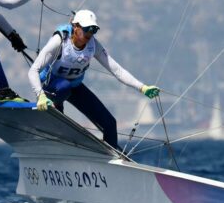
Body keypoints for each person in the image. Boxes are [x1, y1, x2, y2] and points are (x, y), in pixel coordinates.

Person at [28, 9, 160, 149]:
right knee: (64, 86)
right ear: (75, 27)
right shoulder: (60, 40)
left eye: (93, 30)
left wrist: (142, 87)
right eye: (86, 29)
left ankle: (113, 155)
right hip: (52, 86)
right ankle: (57, 111)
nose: (89, 34)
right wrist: (40, 95)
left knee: (109, 123)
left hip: (74, 87)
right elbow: (33, 70)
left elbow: (117, 70)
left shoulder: (93, 46)